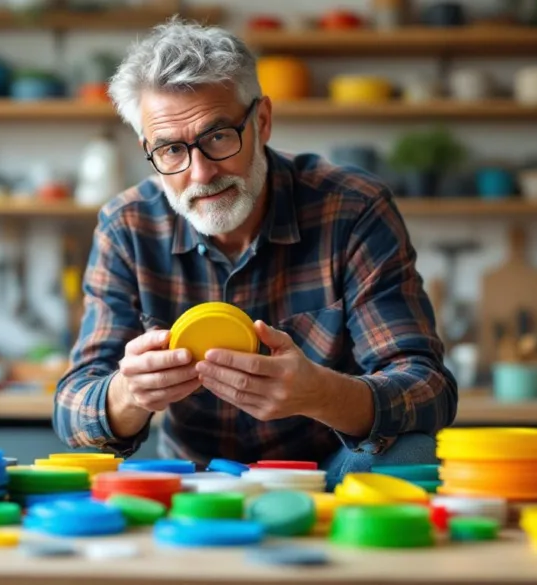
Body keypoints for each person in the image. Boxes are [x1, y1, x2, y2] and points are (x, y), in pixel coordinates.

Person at [53, 20, 457, 487]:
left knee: (410, 450)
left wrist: (320, 394)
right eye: (170, 150)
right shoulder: (127, 226)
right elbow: (72, 409)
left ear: (262, 120)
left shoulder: (352, 209)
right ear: (149, 150)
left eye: (219, 136)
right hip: (194, 480)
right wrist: (128, 394)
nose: (200, 173)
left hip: (329, 473)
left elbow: (429, 389)